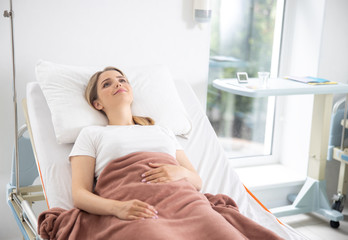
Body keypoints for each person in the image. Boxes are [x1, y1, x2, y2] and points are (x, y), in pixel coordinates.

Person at [69, 67, 202, 221]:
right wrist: (118, 208)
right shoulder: (91, 134)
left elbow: (197, 181)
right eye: (107, 84)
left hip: (184, 202)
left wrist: (181, 172)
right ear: (97, 104)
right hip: (137, 212)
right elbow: (79, 194)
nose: (118, 85)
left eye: (122, 80)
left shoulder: (162, 131)